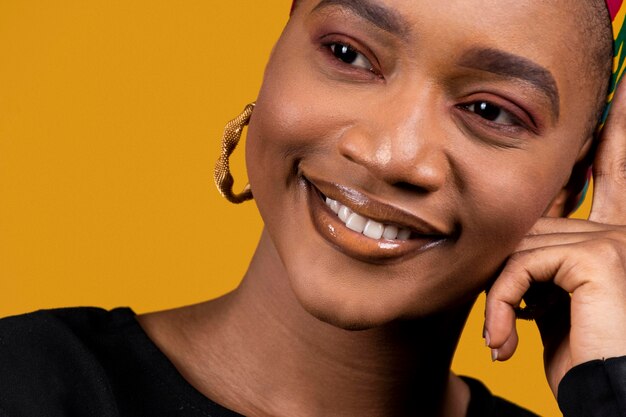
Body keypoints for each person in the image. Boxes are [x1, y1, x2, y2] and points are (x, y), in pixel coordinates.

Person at [1, 0, 626, 416]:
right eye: (348, 55)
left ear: (573, 183)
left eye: (490, 111)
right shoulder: (27, 384)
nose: (389, 154)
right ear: (275, 55)